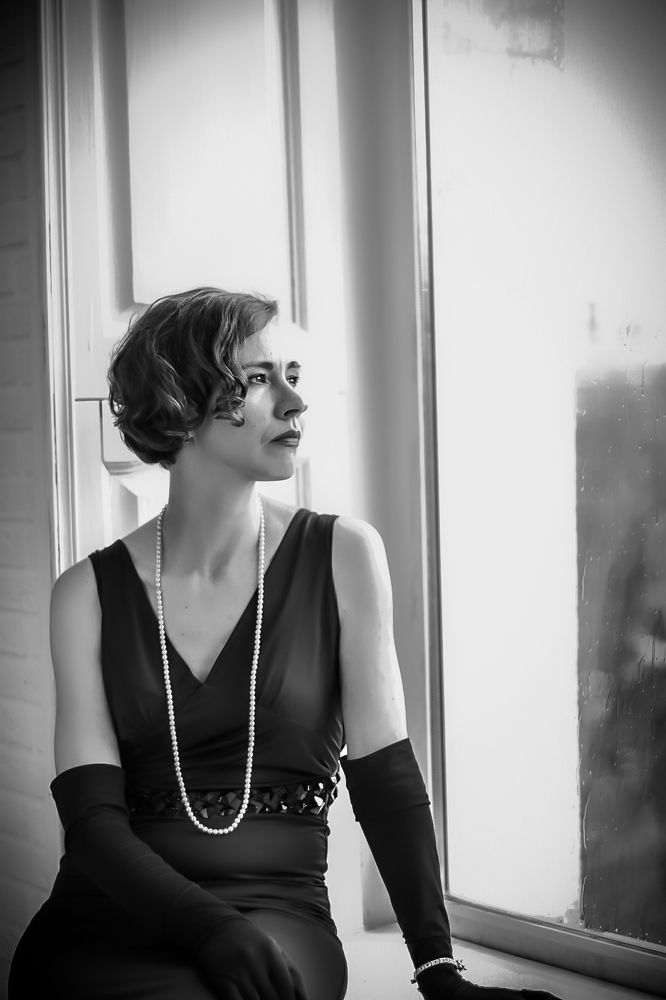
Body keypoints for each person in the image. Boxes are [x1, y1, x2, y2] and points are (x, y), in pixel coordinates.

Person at [9, 288, 560, 999]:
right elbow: (91, 824)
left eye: (293, 376)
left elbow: (387, 781)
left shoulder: (344, 555)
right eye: (260, 378)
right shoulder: (85, 593)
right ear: (179, 397)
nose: (295, 403)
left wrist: (438, 969)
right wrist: (207, 927)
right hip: (106, 919)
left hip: (278, 918)